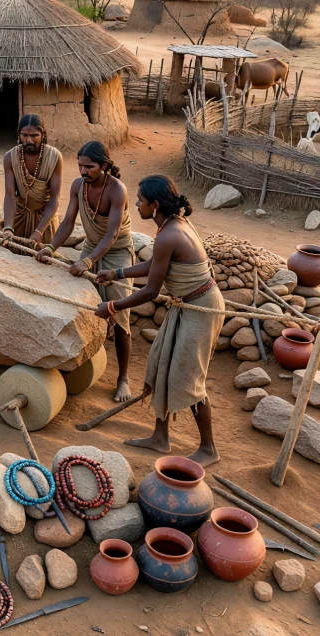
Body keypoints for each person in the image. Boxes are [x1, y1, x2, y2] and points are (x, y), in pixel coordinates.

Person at [93, 176, 223, 464]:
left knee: (189, 377)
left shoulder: (168, 234)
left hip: (201, 309)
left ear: (154, 205)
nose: (136, 204)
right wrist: (116, 274)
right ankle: (160, 438)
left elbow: (151, 291)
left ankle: (209, 449)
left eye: (140, 200)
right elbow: (155, 265)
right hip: (187, 305)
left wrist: (112, 306)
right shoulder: (173, 225)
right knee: (162, 363)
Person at [36, 141, 135, 402]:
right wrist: (50, 247)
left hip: (116, 256)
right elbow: (68, 221)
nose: (82, 170)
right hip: (91, 249)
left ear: (104, 166)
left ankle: (123, 378)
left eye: (89, 166)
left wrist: (88, 263)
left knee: (120, 317)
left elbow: (112, 234)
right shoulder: (78, 186)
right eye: (79, 165)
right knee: (82, 307)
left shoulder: (117, 190)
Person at [0, 114, 62, 244]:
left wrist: (39, 231)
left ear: (43, 134)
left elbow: (54, 199)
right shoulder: (10, 157)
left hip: (44, 220)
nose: (29, 140)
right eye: (24, 135)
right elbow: (10, 195)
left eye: (34, 136)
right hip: (20, 215)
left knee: (41, 254)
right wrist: (8, 228)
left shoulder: (54, 157)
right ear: (19, 134)